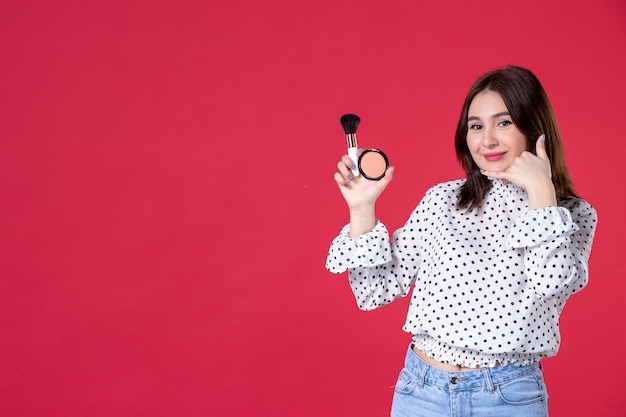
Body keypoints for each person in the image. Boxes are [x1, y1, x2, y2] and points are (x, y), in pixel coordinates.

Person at [325, 66, 597, 417]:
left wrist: (542, 193)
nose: (488, 140)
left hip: (508, 398)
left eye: (504, 123)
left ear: (535, 129)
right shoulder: (443, 200)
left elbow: (551, 283)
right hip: (421, 392)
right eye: (476, 126)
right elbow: (373, 292)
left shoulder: (571, 214)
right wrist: (362, 209)